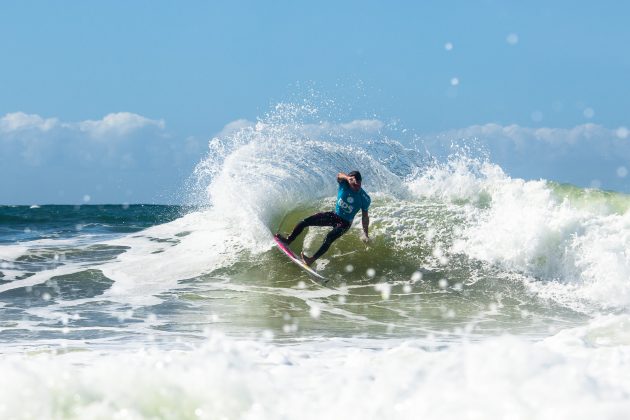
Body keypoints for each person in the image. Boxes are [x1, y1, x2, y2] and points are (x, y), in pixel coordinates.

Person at [275, 171, 371, 266]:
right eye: (354, 184)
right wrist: (347, 178)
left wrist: (366, 234)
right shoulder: (344, 184)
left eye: (358, 184)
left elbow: (365, 217)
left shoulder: (364, 198)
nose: (356, 186)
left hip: (345, 223)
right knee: (305, 222)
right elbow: (339, 175)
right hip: (334, 215)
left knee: (329, 238)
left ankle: (311, 260)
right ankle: (288, 240)